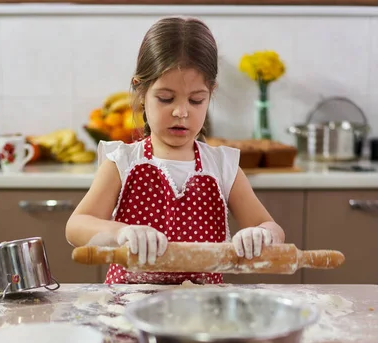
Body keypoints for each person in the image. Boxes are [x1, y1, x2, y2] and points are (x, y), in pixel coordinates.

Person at [66, 16, 285, 285]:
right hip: (128, 313)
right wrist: (121, 233)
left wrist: (263, 235)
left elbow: (271, 228)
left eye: (196, 100)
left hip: (202, 314)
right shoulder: (123, 162)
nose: (181, 111)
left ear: (211, 93)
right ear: (140, 90)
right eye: (166, 98)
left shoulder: (222, 166)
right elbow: (75, 227)